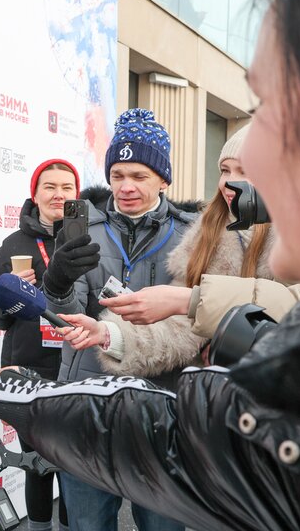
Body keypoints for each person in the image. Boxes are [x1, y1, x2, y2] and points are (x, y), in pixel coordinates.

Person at [0, 0, 300, 528]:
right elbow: (216, 433)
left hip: (165, 400)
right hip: (103, 402)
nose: (240, 175)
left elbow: (196, 369)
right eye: (117, 174)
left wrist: (186, 302)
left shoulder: (193, 234)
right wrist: (61, 348)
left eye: (275, 106)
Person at [42, 108, 195, 531]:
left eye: (139, 176)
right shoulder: (81, 226)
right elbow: (66, 318)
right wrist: (56, 282)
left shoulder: (191, 235)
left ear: (163, 179)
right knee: (88, 524)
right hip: (85, 408)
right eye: (117, 175)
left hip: (161, 411)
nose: (126, 187)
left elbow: (194, 324)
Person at [63, 124, 300, 377]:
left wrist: (191, 300)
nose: (228, 182)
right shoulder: (208, 233)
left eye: (245, 171)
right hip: (223, 390)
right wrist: (108, 333)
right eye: (225, 170)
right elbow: (180, 328)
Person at [0, 159, 79, 531]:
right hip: (28, 371)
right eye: (49, 187)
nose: (58, 195)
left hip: (78, 368)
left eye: (67, 187)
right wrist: (9, 294)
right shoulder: (14, 244)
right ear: (34, 194)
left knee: (74, 466)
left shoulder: (88, 241)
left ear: (77, 194)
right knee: (36, 464)